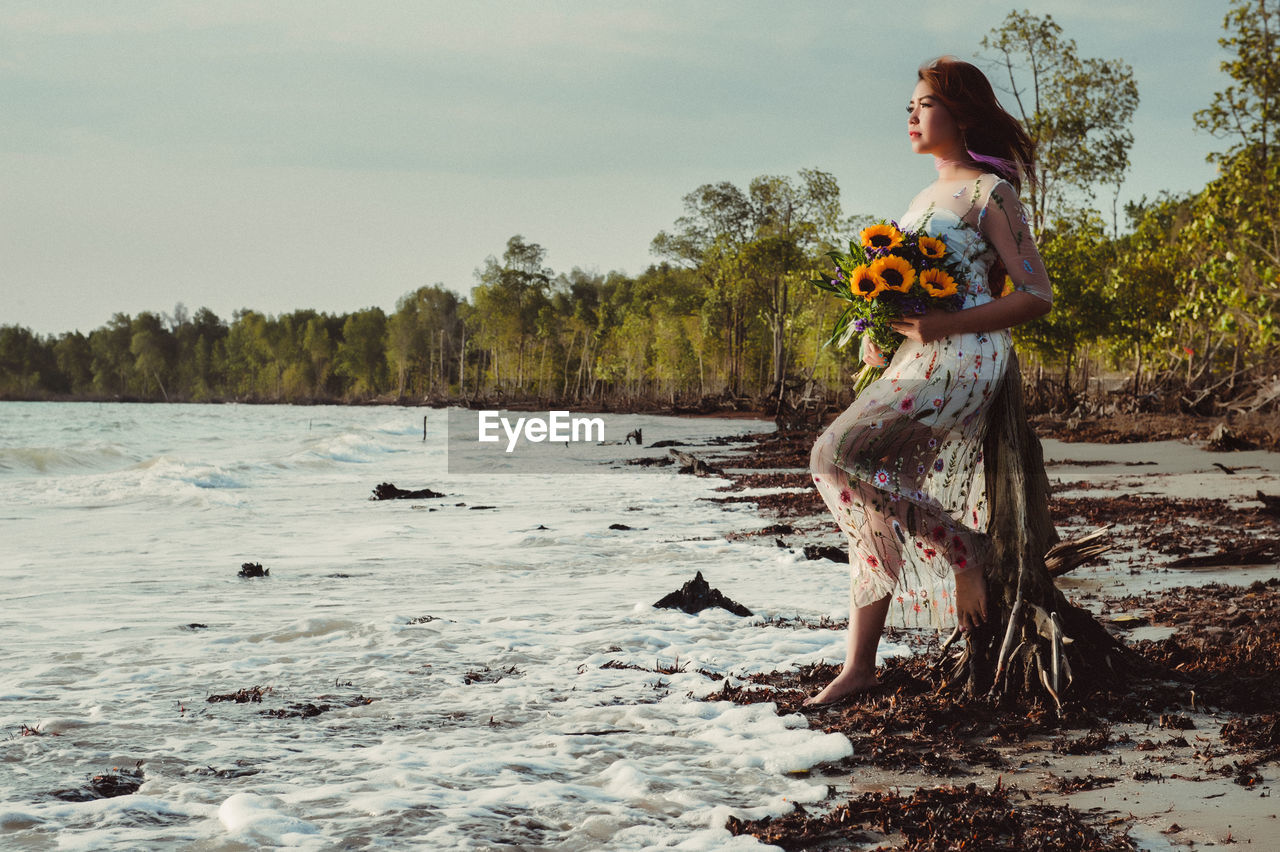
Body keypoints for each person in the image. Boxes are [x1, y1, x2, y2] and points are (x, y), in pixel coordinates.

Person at [805, 56, 1054, 707]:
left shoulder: (989, 193)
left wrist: (945, 326)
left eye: (924, 104)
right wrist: (881, 329)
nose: (911, 116)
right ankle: (861, 665)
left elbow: (1035, 294)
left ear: (962, 114)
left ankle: (963, 548)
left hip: (964, 358)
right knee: (876, 503)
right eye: (909, 107)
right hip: (917, 358)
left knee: (832, 456)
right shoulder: (920, 200)